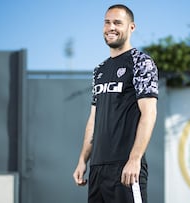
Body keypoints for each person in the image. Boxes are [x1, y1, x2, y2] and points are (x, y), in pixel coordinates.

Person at [72, 4, 158, 203]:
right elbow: (94, 119)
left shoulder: (141, 62)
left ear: (131, 27)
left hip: (126, 168)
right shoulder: (99, 70)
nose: (111, 27)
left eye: (117, 23)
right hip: (97, 169)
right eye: (107, 22)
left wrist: (135, 159)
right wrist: (82, 161)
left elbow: (149, 113)